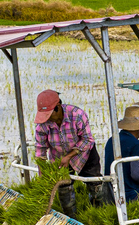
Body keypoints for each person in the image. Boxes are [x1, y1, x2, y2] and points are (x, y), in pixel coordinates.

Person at [33, 89, 101, 217]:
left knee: (95, 185)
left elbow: (87, 140)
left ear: (58, 106)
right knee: (64, 189)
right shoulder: (42, 125)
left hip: (84, 154)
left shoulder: (77, 115)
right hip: (59, 158)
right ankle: (72, 219)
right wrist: (42, 175)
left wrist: (69, 156)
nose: (48, 118)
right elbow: (40, 150)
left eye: (49, 114)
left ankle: (98, 216)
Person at [104, 105, 139, 203]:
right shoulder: (136, 144)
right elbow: (136, 174)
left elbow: (125, 167)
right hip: (131, 195)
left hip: (112, 194)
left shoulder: (112, 140)